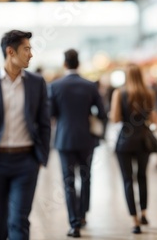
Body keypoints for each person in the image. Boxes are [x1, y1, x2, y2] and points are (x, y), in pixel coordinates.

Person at [0, 30, 50, 240]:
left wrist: (41, 156)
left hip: (26, 161)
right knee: (0, 218)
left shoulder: (36, 83)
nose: (31, 55)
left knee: (19, 219)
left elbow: (44, 123)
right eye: (27, 49)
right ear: (10, 51)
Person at [49, 49, 107, 238]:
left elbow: (50, 114)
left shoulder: (55, 86)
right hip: (86, 139)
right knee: (86, 177)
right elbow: (103, 113)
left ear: (65, 64)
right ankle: (83, 215)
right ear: (78, 64)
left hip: (64, 139)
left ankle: (73, 224)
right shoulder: (90, 86)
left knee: (68, 182)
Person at [111, 64, 157, 234]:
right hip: (143, 140)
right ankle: (144, 212)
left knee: (127, 180)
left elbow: (115, 118)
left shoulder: (119, 93)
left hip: (124, 140)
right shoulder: (149, 93)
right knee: (142, 176)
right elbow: (155, 120)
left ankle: (134, 220)